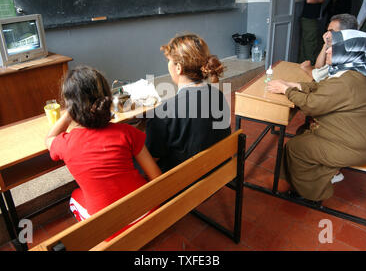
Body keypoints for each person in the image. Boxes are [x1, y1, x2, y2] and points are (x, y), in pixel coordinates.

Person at [267, 30, 366, 202]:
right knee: (303, 132)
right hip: (357, 139)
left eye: (333, 48)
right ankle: (316, 177)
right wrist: (294, 85)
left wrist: (286, 90)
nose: (328, 51)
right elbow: (323, 89)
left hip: (354, 147)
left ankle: (310, 194)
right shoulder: (354, 71)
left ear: (348, 52)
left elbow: (311, 105)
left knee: (295, 148)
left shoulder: (347, 80)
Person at [45, 66, 162, 227]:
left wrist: (67, 114)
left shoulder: (65, 143)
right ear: (106, 98)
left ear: (71, 106)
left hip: (108, 228)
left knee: (74, 196)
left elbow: (49, 138)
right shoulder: (128, 132)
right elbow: (156, 176)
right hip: (148, 209)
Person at [145, 34, 231, 173]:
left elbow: (152, 157)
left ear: (179, 68)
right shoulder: (218, 95)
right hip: (216, 171)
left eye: (169, 60)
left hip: (184, 182)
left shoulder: (164, 113)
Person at [300, 13, 358, 82]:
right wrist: (326, 44)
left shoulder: (345, 53)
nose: (326, 35)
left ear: (344, 33)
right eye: (328, 31)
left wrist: (307, 68)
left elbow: (318, 77)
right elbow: (319, 68)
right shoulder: (347, 45)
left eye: (331, 31)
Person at [299, 0, 333, 64]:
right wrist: (320, 1)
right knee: (311, 43)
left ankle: (303, 63)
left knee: (306, 42)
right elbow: (309, 0)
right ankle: (311, 65)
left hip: (308, 19)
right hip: (310, 19)